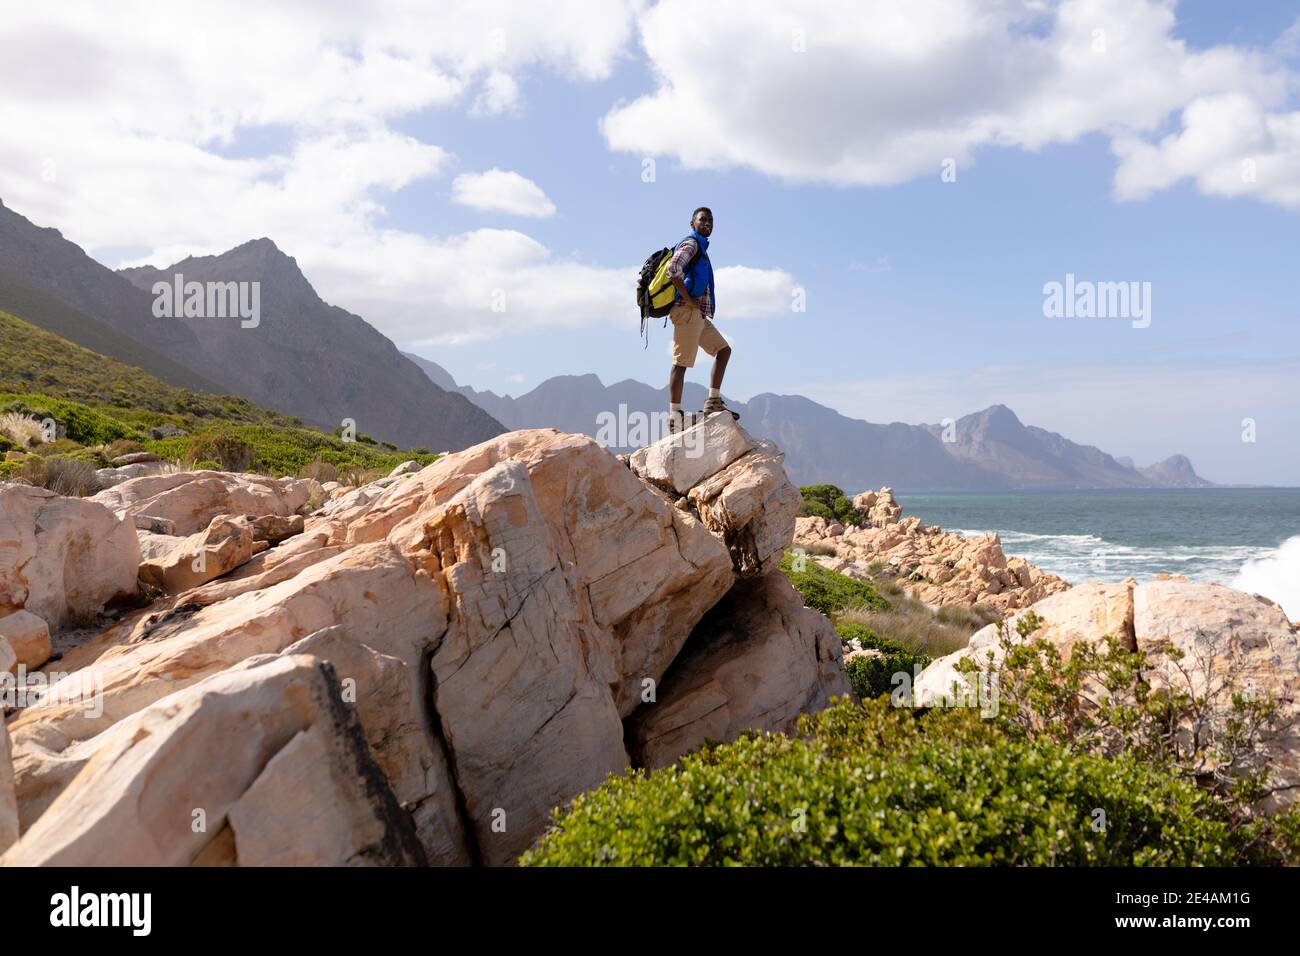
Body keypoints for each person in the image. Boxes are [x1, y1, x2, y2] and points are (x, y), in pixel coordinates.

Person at [665, 206, 733, 432]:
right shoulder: (691, 244)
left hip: (698, 314)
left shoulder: (701, 248)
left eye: (710, 221)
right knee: (681, 363)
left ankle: (713, 402)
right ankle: (675, 416)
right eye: (703, 219)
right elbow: (673, 269)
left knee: (723, 350)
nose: (707, 223)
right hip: (687, 311)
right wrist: (689, 300)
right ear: (692, 223)